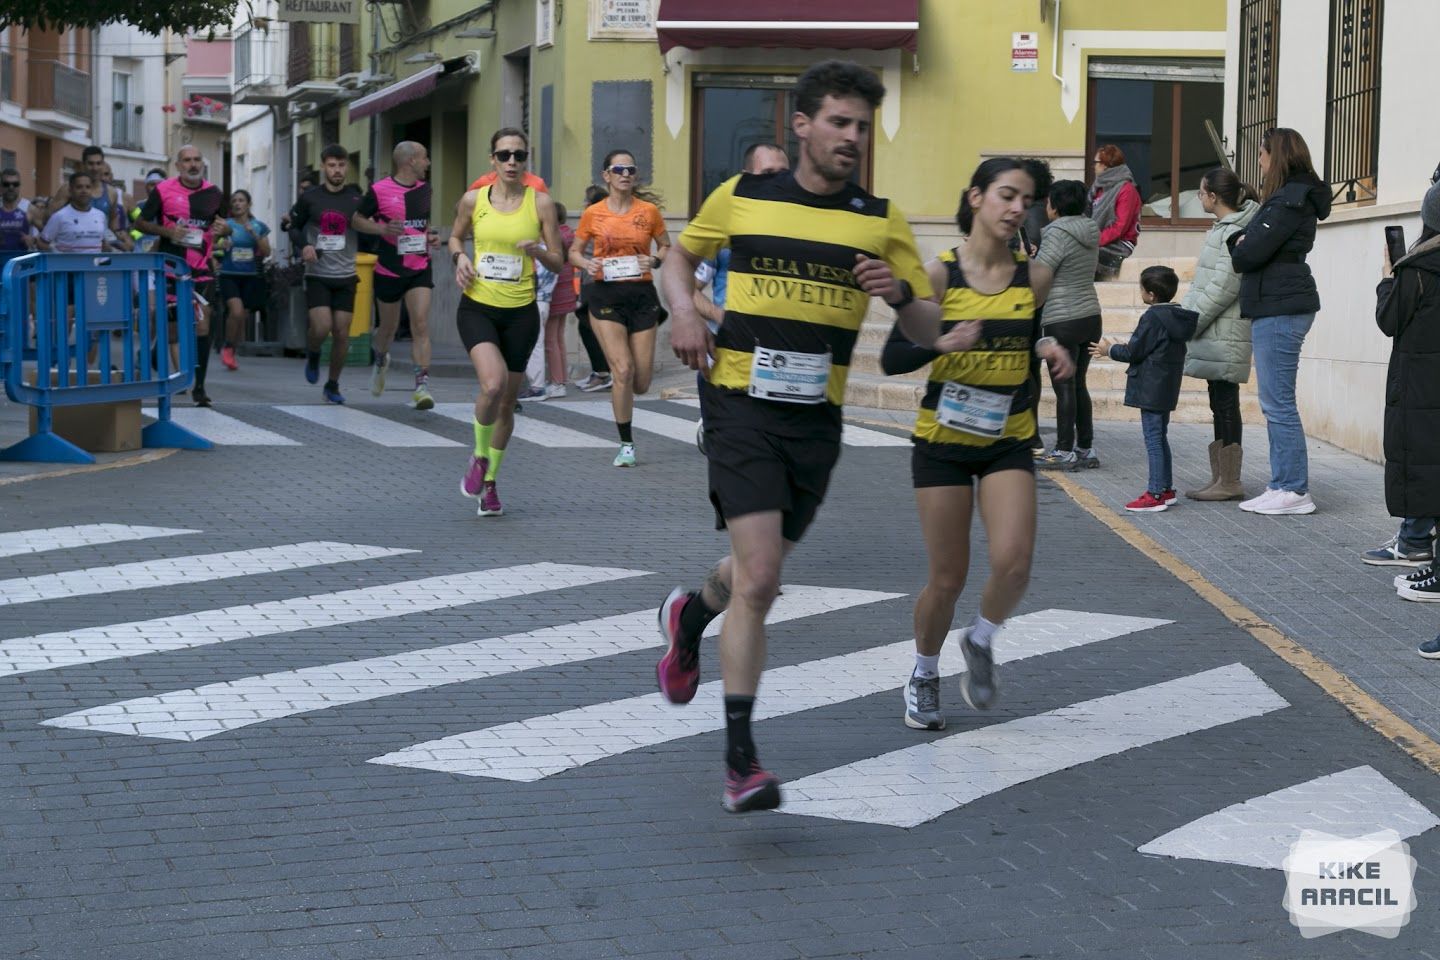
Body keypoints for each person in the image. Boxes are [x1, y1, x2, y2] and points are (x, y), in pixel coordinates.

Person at [656, 60, 964, 812]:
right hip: (741, 404)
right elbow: (675, 258)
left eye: (862, 126)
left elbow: (927, 329)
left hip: (816, 421)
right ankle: (740, 762)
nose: (852, 138)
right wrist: (687, 312)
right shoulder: (745, 196)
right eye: (838, 122)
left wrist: (899, 295)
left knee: (748, 572)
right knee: (762, 579)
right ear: (801, 125)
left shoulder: (879, 218)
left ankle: (690, 614)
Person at [875, 158, 1069, 730]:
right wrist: (942, 342)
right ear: (976, 198)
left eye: (1026, 200)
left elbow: (1028, 330)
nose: (1016, 209)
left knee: (1014, 563)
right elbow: (892, 358)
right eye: (1006, 196)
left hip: (1006, 437)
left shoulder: (1034, 278)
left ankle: (981, 640)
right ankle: (924, 672)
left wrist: (1046, 347)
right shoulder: (939, 276)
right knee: (948, 577)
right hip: (943, 442)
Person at [449, 127, 565, 517]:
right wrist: (460, 258)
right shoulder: (473, 200)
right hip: (478, 307)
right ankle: (479, 457)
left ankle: (491, 484)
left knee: (507, 404)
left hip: (521, 312)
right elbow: (455, 239)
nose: (512, 162)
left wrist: (538, 250)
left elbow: (558, 260)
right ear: (492, 160)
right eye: (504, 155)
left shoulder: (542, 204)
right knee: (492, 384)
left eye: (519, 155)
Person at [1228, 127, 1331, 516]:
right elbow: (1248, 246)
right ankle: (1281, 483)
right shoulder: (1286, 199)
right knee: (1274, 402)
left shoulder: (1289, 200)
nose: (1258, 161)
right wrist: (1242, 243)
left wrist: (1242, 244)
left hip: (1281, 304)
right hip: (1278, 301)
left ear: (1278, 156)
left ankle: (1293, 488)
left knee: (1278, 402)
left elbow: (1249, 252)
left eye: (1261, 154)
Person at [569, 151, 671, 467]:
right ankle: (626, 444)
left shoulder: (649, 212)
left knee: (640, 382)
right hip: (605, 296)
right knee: (623, 370)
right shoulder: (594, 214)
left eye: (631, 169)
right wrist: (586, 262)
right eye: (619, 169)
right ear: (607, 176)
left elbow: (666, 246)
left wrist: (654, 260)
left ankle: (626, 417)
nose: (625, 174)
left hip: (641, 296)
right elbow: (574, 251)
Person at [692, 143, 792, 452]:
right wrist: (720, 316)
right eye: (768, 173)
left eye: (784, 174)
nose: (777, 180)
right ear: (746, 177)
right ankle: (711, 426)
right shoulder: (724, 230)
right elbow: (688, 288)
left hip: (781, 349)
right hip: (729, 349)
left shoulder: (800, 230)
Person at [1373, 180, 1440, 621]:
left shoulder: (1418, 268)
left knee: (1423, 462)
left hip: (1421, 385)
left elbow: (1389, 320)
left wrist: (1386, 278)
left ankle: (1421, 551)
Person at [1180, 168, 1260, 502]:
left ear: (1213, 196)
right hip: (1215, 327)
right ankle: (1220, 478)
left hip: (1224, 328)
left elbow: (1225, 285)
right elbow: (1204, 282)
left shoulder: (1236, 228)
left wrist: (1191, 321)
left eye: (1200, 193)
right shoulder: (1223, 228)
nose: (1199, 198)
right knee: (1219, 402)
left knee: (1226, 403)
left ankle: (1230, 481)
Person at [1090, 266, 1198, 513]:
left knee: (1153, 440)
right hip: (1166, 385)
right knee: (1160, 437)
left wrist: (1109, 350)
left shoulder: (1153, 317)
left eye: (1141, 288)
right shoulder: (1177, 316)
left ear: (1150, 294)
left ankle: (1156, 492)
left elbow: (1134, 351)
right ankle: (1166, 488)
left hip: (1150, 386)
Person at [136, 146, 229, 408]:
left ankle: (199, 387)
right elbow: (140, 224)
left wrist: (226, 229)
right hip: (171, 268)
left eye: (197, 159)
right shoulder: (163, 191)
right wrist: (167, 233)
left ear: (203, 164)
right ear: (178, 165)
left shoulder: (214, 193)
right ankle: (160, 360)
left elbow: (223, 228)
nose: (193, 164)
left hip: (201, 270)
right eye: (187, 160)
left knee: (203, 325)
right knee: (174, 329)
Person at [358, 141, 440, 410]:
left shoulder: (425, 189)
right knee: (388, 329)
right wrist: (381, 230)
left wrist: (431, 237)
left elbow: (422, 224)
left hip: (419, 266)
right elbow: (356, 220)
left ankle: (422, 386)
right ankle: (381, 359)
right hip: (390, 269)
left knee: (420, 324)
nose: (428, 163)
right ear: (411, 161)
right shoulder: (379, 190)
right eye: (425, 158)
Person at [1032, 179, 1101, 470]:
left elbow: (1042, 274)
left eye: (1049, 201)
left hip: (1062, 317)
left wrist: (1028, 260)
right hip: (1090, 315)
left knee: (1064, 387)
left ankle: (1063, 450)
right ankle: (1085, 448)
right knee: (1079, 383)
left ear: (1055, 206)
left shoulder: (1056, 234)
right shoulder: (1090, 229)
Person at [287, 144, 363, 404]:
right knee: (322, 326)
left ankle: (332, 385)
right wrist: (303, 246)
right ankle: (314, 352)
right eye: (332, 165)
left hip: (346, 274)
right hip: (318, 273)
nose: (337, 170)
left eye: (342, 165)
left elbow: (370, 227)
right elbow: (293, 228)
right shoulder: (310, 197)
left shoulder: (355, 198)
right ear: (323, 167)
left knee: (342, 333)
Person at [217, 189, 271, 371]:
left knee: (242, 317)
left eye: (241, 200)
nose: (237, 204)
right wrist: (221, 244)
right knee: (236, 311)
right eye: (234, 201)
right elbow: (211, 242)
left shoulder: (258, 226)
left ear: (248, 204)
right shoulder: (226, 225)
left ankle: (232, 349)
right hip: (229, 274)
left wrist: (254, 234)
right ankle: (227, 347)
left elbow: (267, 252)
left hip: (250, 276)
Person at [570, 184, 613, 393]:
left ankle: (604, 374)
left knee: (590, 327)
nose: (584, 204)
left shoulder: (597, 222)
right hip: (591, 281)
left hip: (597, 282)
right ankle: (601, 372)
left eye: (586, 200)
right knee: (591, 327)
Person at [46, 146, 130, 251]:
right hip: (72, 251)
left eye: (98, 163)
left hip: (98, 251)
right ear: (83, 165)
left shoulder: (111, 192)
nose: (95, 168)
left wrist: (121, 237)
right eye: (90, 164)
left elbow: (113, 221)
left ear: (103, 165)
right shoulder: (68, 188)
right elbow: (50, 216)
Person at [1090, 145, 1141, 281]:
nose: (1093, 167)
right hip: (1098, 242)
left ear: (1106, 166)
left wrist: (1094, 241)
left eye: (1096, 163)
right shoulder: (1098, 188)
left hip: (1119, 245)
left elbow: (1120, 226)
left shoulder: (1127, 190)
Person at [37, 171, 108, 253]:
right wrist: (56, 256)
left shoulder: (100, 215)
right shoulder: (59, 216)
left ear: (91, 190)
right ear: (70, 190)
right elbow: (42, 244)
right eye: (79, 187)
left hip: (95, 265)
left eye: (88, 187)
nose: (84, 191)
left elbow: (104, 243)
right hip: (68, 265)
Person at [129, 170, 166, 253]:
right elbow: (132, 227)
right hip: (141, 253)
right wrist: (139, 238)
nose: (156, 188)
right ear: (146, 187)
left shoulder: (171, 207)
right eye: (152, 184)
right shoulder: (138, 206)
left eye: (159, 184)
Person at [0, 168, 36, 253]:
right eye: (6, 184)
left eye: (15, 184)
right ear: (1, 186)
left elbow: (48, 233)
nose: (11, 187)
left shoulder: (29, 208)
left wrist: (34, 240)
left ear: (19, 186)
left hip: (21, 264)